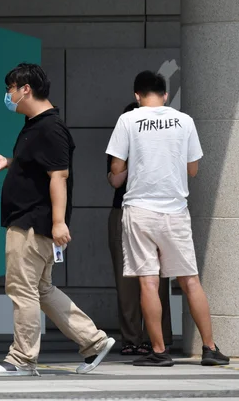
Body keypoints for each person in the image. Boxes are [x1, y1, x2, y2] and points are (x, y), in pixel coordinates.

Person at [0, 63, 115, 377]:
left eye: (9, 89)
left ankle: (22, 359)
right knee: (41, 289)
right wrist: (8, 163)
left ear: (25, 88)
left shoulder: (50, 128)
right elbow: (38, 167)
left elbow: (59, 177)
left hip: (32, 222)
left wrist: (58, 222)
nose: (7, 95)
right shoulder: (35, 124)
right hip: (32, 219)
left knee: (22, 289)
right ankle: (94, 341)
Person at [106, 71, 229, 367]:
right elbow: (193, 169)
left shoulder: (128, 120)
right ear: (165, 95)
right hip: (175, 210)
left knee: (148, 282)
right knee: (190, 280)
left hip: (138, 211)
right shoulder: (184, 120)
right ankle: (210, 349)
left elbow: (116, 170)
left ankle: (159, 351)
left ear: (137, 96)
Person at [108, 102, 173, 356]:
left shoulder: (165, 144)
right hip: (124, 210)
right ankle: (131, 338)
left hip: (159, 210)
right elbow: (114, 180)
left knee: (159, 279)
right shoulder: (119, 144)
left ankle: (159, 337)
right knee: (126, 280)